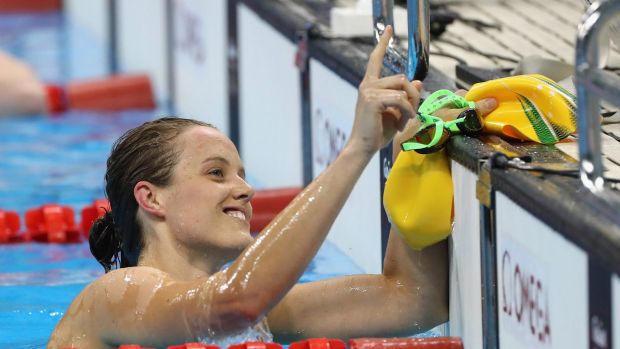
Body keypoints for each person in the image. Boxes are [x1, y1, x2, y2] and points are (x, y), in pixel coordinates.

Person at [48, 27, 497, 349]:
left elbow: (414, 301)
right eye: (216, 174)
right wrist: (357, 150)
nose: (245, 190)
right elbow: (232, 304)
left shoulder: (257, 319)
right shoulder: (112, 297)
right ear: (151, 198)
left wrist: (414, 154)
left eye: (241, 175)